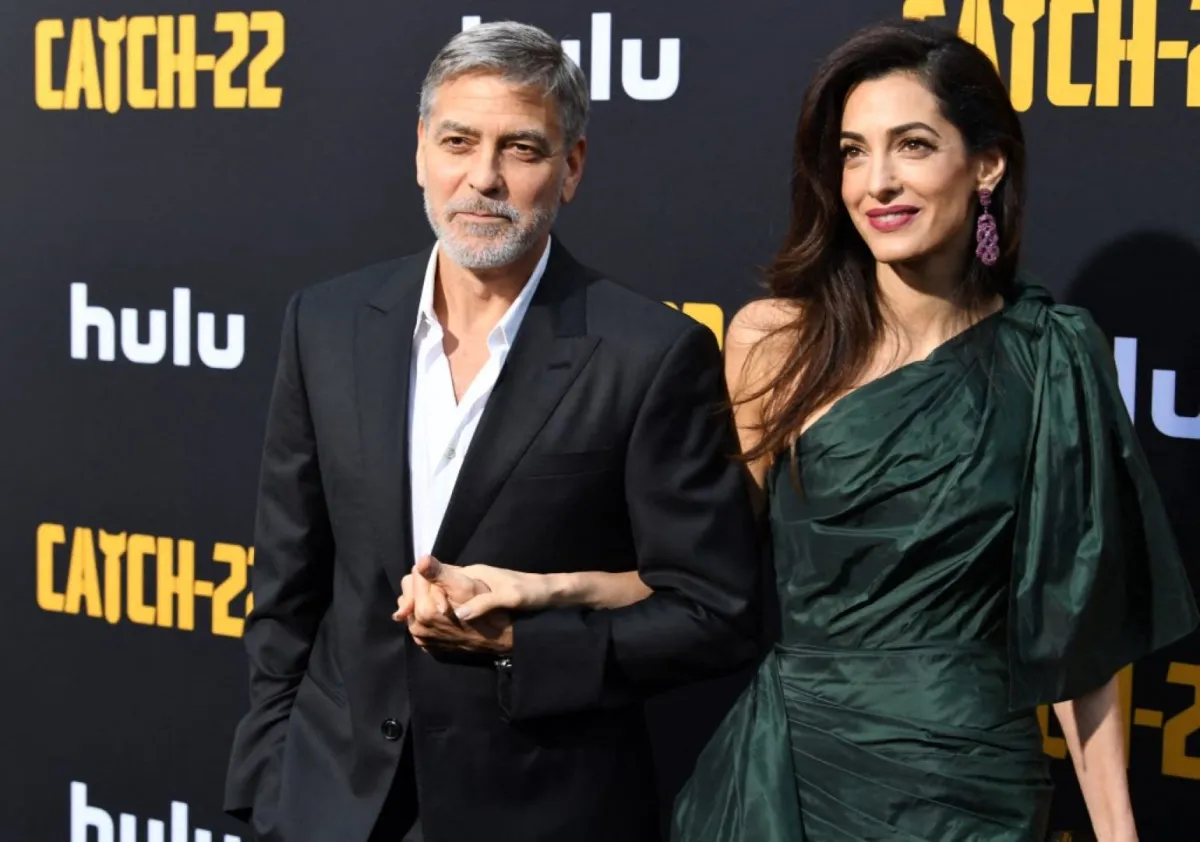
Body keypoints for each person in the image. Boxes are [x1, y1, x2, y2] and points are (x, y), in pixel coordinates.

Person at [404, 18, 1200, 842]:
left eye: (914, 145)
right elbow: (705, 584)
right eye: (854, 152)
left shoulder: (1053, 358)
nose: (877, 181)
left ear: (987, 164)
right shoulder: (776, 341)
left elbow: (1081, 636)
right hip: (781, 777)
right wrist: (540, 590)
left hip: (965, 788)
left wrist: (1116, 831)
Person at [222, 20, 761, 842]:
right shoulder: (325, 324)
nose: (483, 178)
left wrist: (522, 643)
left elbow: (713, 610)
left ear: (571, 168)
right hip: (330, 803)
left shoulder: (650, 352)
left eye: (522, 149)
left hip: (541, 810)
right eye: (458, 141)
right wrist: (269, 787)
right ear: (419, 153)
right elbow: (286, 587)